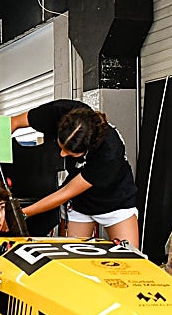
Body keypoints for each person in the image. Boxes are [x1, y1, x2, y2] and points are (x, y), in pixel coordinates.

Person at [9, 100, 139, 245]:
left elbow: (66, 192)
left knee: (129, 259)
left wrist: (21, 214)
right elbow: (13, 123)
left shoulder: (109, 152)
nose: (62, 154)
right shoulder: (60, 112)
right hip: (79, 203)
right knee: (70, 258)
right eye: (61, 146)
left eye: (70, 152)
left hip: (114, 199)